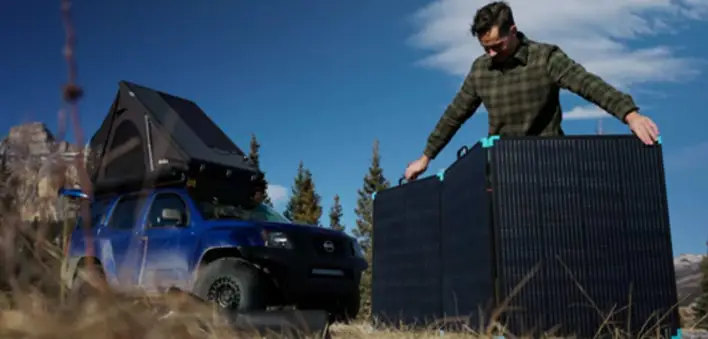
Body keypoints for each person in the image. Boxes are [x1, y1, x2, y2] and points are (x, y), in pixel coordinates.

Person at [404, 1, 660, 181]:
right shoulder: (480, 70)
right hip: (505, 167)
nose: (491, 54)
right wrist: (427, 157)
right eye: (485, 48)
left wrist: (630, 114)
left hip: (551, 164)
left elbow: (588, 84)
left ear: (512, 31)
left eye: (497, 46)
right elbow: (454, 114)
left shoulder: (545, 58)